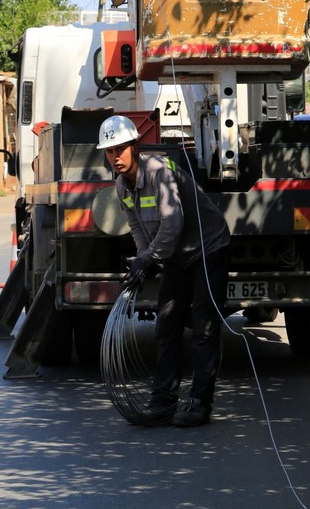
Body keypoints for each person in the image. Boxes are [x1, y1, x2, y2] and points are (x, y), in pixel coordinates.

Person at [97, 115, 231, 427]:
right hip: (175, 258)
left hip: (207, 250)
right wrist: (145, 258)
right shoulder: (121, 186)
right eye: (109, 151)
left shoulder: (159, 171)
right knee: (166, 327)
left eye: (120, 149)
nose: (115, 157)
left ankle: (199, 404)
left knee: (204, 327)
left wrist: (150, 259)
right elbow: (136, 227)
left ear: (134, 146)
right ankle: (163, 401)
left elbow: (173, 224)